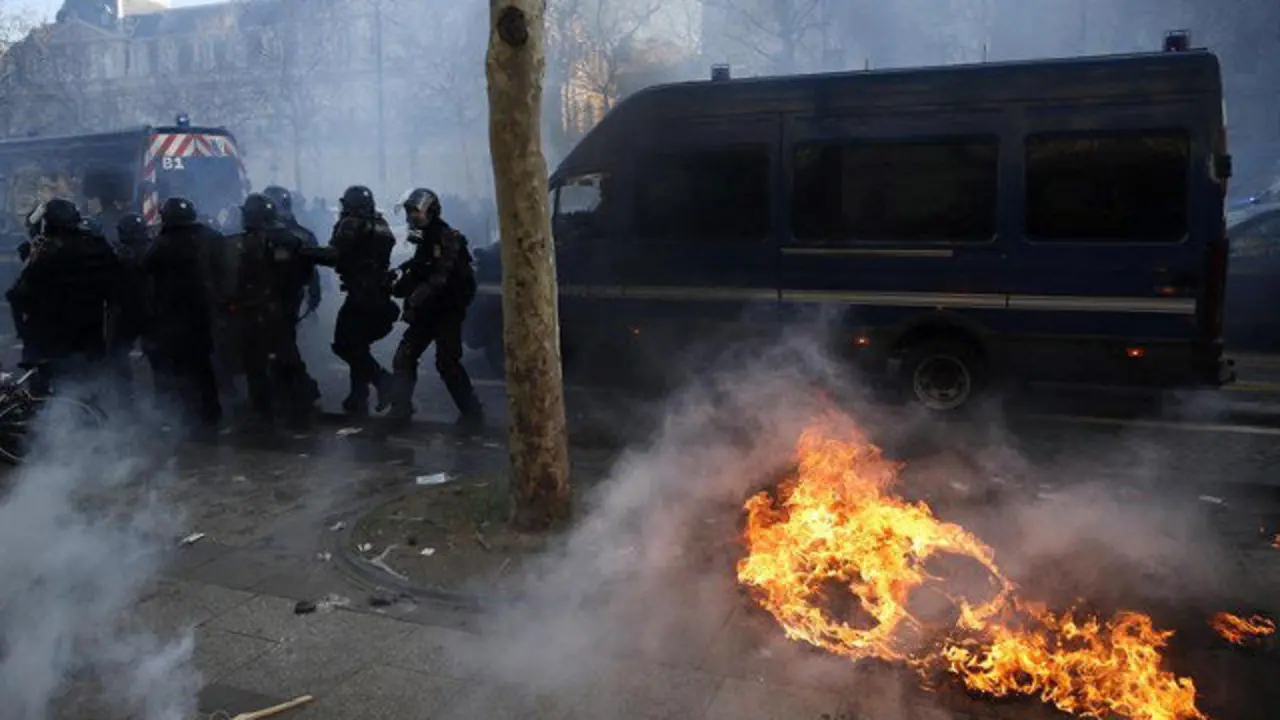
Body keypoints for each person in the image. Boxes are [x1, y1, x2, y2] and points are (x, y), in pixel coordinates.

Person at [388, 188, 482, 429]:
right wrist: (397, 279)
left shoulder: (446, 237)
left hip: (446, 310)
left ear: (430, 212)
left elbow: (439, 277)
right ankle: (400, 409)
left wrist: (413, 301)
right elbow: (419, 268)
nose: (411, 219)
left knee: (447, 362)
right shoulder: (427, 239)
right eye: (409, 214)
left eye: (415, 213)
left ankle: (472, 412)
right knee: (404, 358)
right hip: (429, 311)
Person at [6, 197, 118, 397]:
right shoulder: (97, 248)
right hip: (89, 339)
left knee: (44, 404)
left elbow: (21, 297)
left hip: (50, 344)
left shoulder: (46, 256)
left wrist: (31, 260)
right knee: (87, 395)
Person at [222, 193, 311, 430]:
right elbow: (304, 275)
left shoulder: (242, 243)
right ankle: (300, 408)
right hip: (282, 310)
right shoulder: (292, 239)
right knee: (287, 357)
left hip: (254, 312)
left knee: (256, 364)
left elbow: (232, 282)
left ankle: (264, 414)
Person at [316, 185, 398, 417]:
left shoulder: (352, 223)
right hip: (379, 295)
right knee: (358, 346)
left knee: (345, 345)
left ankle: (384, 382)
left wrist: (303, 252)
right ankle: (357, 396)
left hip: (362, 297)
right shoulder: (381, 224)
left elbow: (334, 255)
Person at [141, 197, 222, 428]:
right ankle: (211, 412)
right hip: (206, 313)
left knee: (180, 366)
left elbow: (144, 269)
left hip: (174, 315)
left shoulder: (163, 242)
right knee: (203, 364)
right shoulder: (212, 237)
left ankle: (190, 415)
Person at [263, 186, 323, 407]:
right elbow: (313, 270)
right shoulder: (304, 233)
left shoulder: (271, 235)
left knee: (280, 346)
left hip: (274, 298)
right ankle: (289, 391)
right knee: (282, 344)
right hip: (291, 297)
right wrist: (314, 296)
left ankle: (301, 392)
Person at [104, 212, 153, 409]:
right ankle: (163, 400)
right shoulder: (153, 251)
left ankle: (126, 401)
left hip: (126, 312)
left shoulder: (120, 255)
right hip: (149, 311)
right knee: (158, 358)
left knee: (118, 356)